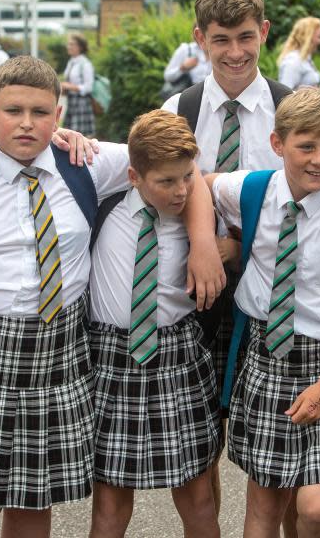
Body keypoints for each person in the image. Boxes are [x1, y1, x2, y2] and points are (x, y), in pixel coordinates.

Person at [0, 55, 221, 538]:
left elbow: (182, 167)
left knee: (34, 514)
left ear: (59, 115)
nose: (27, 124)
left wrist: (203, 243)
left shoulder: (88, 164)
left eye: (40, 112)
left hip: (57, 366)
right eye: (13, 111)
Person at [206, 87, 320, 538]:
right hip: (265, 359)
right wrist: (206, 248)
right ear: (278, 143)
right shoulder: (250, 189)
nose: (319, 160)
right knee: (264, 506)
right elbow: (194, 182)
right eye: (306, 146)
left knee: (319, 508)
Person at [160, 0, 292, 518]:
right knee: (200, 445)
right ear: (200, 39)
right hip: (199, 293)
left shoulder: (292, 109)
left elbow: (306, 203)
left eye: (245, 36)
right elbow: (147, 183)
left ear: (263, 32)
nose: (234, 52)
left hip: (276, 290)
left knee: (281, 448)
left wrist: (232, 246)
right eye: (221, 39)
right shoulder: (178, 110)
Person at [88, 110, 221, 538]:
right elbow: (42, 144)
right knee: (109, 501)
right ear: (134, 175)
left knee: (198, 495)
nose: (181, 191)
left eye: (187, 177)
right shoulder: (102, 204)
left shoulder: (198, 214)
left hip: (179, 354)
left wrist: (221, 248)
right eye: (166, 181)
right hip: (110, 357)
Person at [62, 32, 96, 136]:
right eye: (69, 44)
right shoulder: (71, 62)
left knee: (79, 135)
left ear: (80, 47)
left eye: (72, 44)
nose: (69, 47)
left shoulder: (85, 64)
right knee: (69, 135)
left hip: (81, 104)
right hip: (72, 101)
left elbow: (89, 87)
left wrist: (69, 86)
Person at [277, 17, 320, 89]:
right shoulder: (293, 61)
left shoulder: (305, 59)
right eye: (319, 37)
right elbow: (285, 95)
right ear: (308, 37)